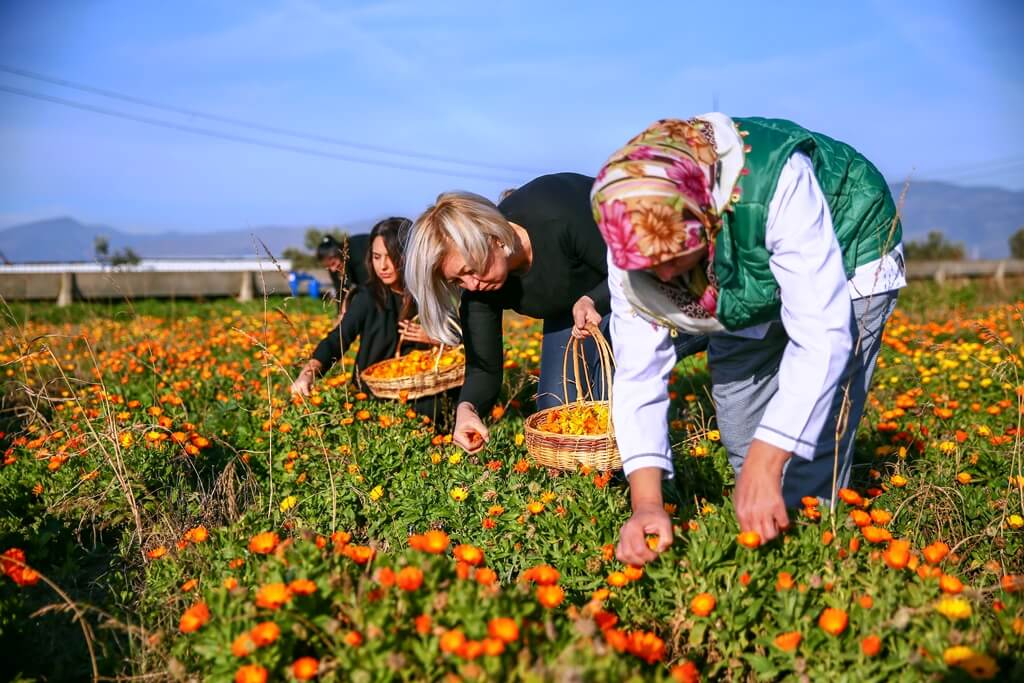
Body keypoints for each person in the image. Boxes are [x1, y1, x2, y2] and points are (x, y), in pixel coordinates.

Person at [590, 115, 906, 566]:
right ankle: (766, 532)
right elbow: (639, 373)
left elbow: (822, 337)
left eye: (675, 258)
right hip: (740, 287)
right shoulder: (629, 225)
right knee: (742, 425)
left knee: (811, 442)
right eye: (649, 266)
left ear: (709, 214)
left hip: (850, 240)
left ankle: (808, 565)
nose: (662, 275)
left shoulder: (777, 185)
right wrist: (647, 504)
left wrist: (770, 459)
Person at [406, 174, 627, 453]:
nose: (472, 285)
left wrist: (591, 299)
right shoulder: (479, 292)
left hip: (650, 278)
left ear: (492, 237)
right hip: (572, 308)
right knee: (556, 414)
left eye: (470, 270)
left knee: (615, 398)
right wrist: (466, 409)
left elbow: (633, 268)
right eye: (458, 281)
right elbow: (483, 369)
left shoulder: (557, 212)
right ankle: (588, 488)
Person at [292, 218, 445, 417]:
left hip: (422, 395)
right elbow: (337, 340)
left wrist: (434, 337)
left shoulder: (429, 296)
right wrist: (308, 374)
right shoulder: (368, 297)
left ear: (409, 255)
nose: (383, 266)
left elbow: (460, 341)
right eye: (376, 256)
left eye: (391, 256)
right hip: (373, 398)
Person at [316, 232, 371, 315]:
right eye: (328, 266)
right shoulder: (334, 268)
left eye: (333, 263)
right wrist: (340, 316)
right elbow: (340, 292)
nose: (333, 269)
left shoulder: (356, 253)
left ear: (340, 254)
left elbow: (367, 287)